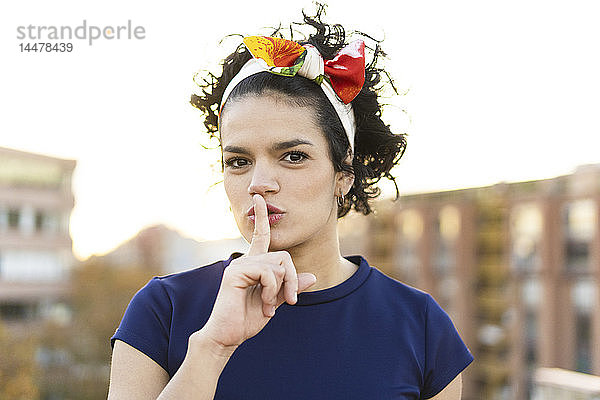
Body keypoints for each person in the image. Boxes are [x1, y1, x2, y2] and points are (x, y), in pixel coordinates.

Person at [108, 5, 473, 399]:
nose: (259, 183)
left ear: (343, 174)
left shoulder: (419, 325)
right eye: (238, 161)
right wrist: (211, 349)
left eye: (293, 156)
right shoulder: (163, 310)